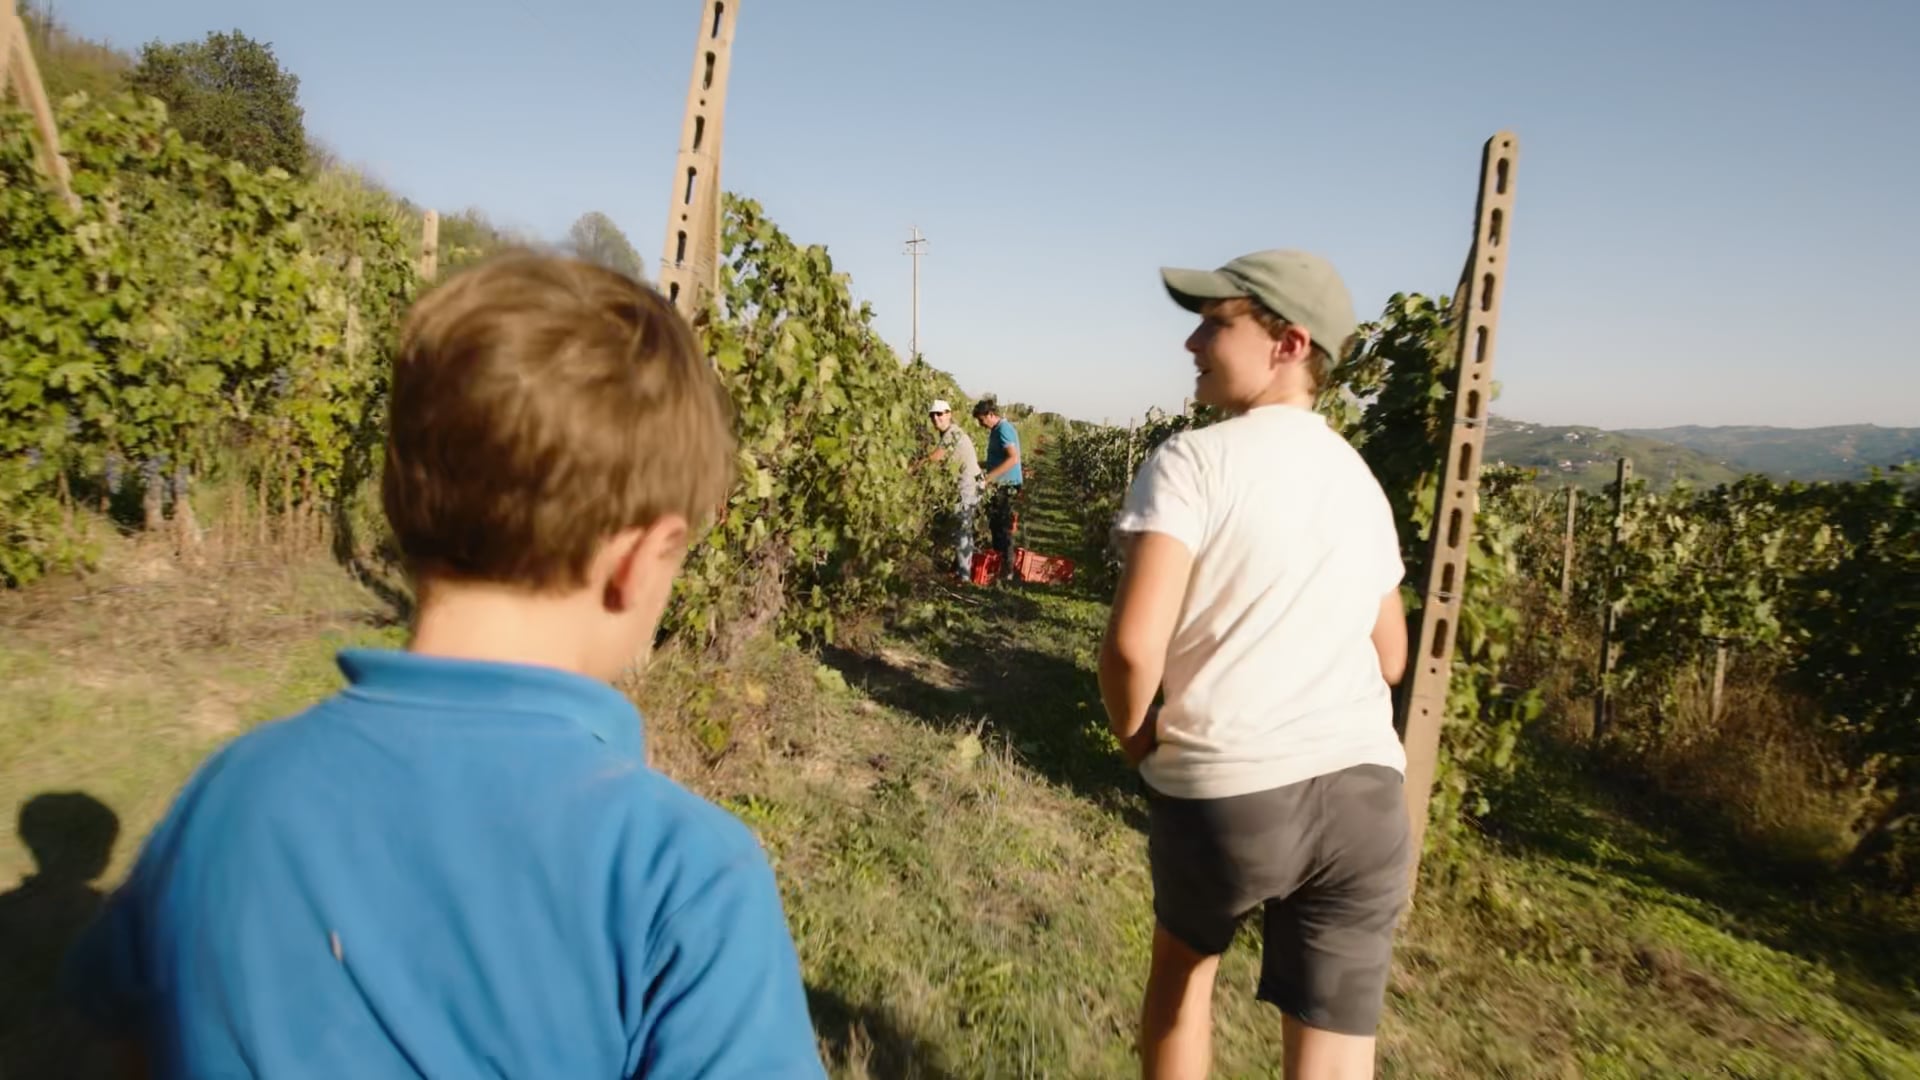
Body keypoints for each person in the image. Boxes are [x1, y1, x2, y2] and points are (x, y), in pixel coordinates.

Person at [60, 253, 827, 1078]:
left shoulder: (229, 792)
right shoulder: (686, 878)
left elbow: (133, 1042)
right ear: (642, 560)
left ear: (400, 502)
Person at [1097, 249, 1410, 1080]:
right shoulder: (1360, 481)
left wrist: (1135, 740)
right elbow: (1391, 656)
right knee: (1334, 1050)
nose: (1192, 342)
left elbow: (1132, 646)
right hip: (1365, 796)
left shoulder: (1193, 462)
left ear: (1289, 343)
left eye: (1216, 323)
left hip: (1231, 789)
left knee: (1182, 984)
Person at [926, 398, 981, 580]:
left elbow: (936, 457)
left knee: (962, 529)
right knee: (962, 528)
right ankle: (960, 570)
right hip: (968, 484)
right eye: (932, 415)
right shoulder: (949, 433)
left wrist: (913, 468)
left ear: (949, 414)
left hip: (968, 485)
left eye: (939, 414)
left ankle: (963, 577)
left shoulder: (953, 433)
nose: (936, 418)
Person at [972, 398, 1023, 582]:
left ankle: (1007, 571)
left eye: (981, 420)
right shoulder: (996, 430)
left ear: (991, 414)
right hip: (999, 485)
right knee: (995, 525)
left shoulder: (1003, 430)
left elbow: (1012, 459)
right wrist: (976, 465)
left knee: (1003, 528)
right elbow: (997, 459)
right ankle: (998, 566)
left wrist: (988, 479)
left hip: (1006, 486)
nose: (980, 424)